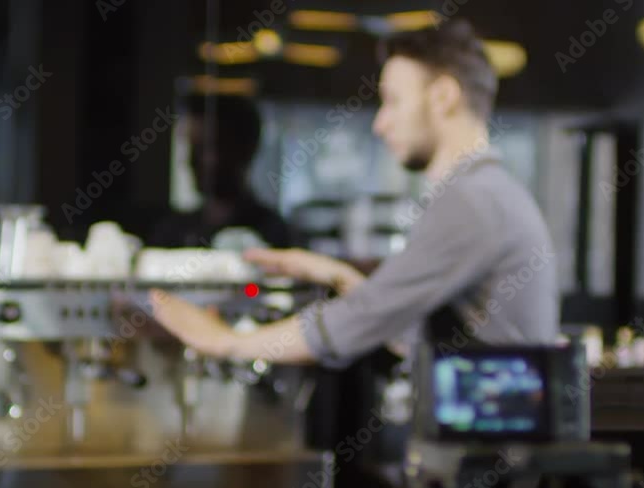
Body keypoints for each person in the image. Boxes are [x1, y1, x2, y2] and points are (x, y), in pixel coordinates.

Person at [148, 19, 559, 365]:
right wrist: (338, 275)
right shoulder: (484, 192)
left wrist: (228, 343)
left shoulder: (473, 200)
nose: (380, 124)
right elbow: (408, 328)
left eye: (393, 101)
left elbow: (365, 320)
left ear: (444, 97)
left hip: (493, 453)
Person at [148, 93, 300, 249]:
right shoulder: (172, 231)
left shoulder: (270, 231)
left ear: (244, 150)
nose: (192, 161)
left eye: (204, 148)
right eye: (192, 147)